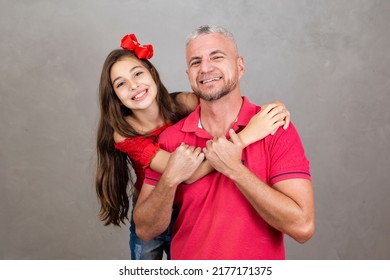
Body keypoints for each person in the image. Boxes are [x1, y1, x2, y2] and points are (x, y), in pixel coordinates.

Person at [95, 33, 292, 259]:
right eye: (121, 84)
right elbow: (185, 172)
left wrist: (270, 110)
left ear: (152, 74)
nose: (133, 86)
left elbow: (224, 104)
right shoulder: (124, 133)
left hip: (187, 203)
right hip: (156, 204)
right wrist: (247, 136)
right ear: (115, 96)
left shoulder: (181, 102)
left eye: (138, 73)